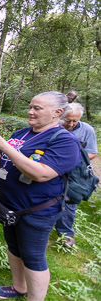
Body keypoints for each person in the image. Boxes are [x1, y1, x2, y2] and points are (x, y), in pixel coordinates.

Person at [0, 91, 81, 300]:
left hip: (37, 210)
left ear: (57, 113)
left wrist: (4, 146)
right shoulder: (21, 133)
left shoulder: (64, 140)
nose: (30, 111)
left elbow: (41, 173)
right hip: (9, 206)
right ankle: (19, 288)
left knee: (33, 257)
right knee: (14, 248)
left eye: (37, 108)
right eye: (30, 106)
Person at [55, 102, 98, 247]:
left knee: (69, 202)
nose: (71, 124)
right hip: (52, 169)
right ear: (61, 116)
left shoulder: (87, 130)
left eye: (75, 121)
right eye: (68, 120)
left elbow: (92, 153)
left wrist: (73, 157)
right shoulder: (53, 127)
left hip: (74, 173)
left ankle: (65, 235)